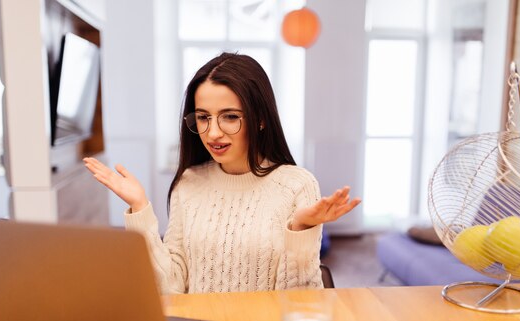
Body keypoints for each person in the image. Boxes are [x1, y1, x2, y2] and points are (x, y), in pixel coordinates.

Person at [84, 52, 360, 294]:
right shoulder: (189, 183)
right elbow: (171, 288)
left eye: (230, 116)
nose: (213, 133)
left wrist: (301, 229)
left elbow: (302, 301)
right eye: (203, 117)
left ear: (261, 119)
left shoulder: (296, 185)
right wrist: (140, 208)